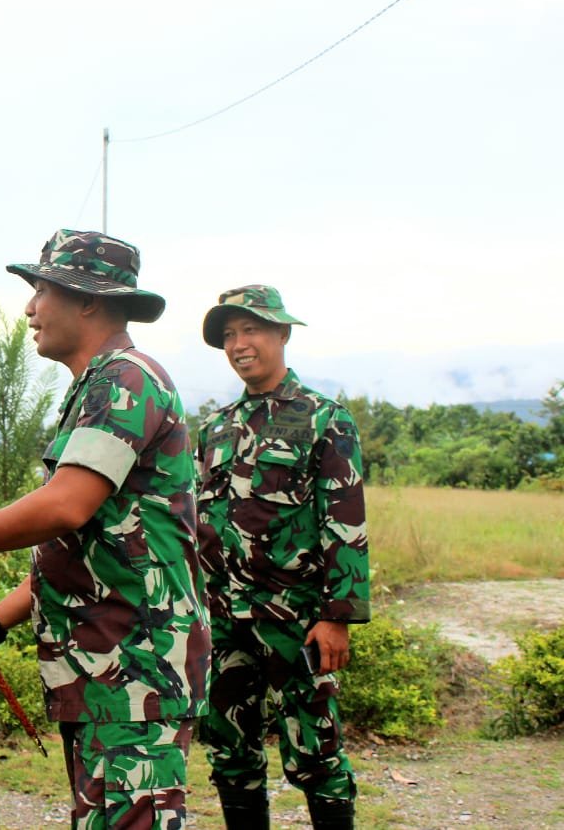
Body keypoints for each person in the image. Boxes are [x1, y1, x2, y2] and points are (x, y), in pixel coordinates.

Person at [0, 229, 210, 830]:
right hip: (105, 667)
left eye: (40, 290)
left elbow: (64, 505)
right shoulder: (98, 385)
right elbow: (75, 544)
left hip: (134, 668)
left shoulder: (126, 378)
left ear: (88, 299)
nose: (29, 309)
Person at [195, 285, 371, 830]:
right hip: (224, 620)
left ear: (282, 334)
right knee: (229, 751)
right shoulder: (214, 429)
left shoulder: (324, 419)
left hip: (297, 619)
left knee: (316, 752)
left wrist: (336, 616)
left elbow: (344, 522)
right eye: (229, 335)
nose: (239, 344)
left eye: (250, 330)